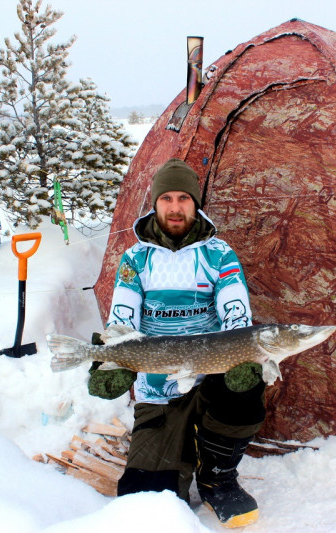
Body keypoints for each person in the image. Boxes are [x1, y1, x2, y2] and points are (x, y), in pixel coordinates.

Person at [88, 158, 266, 528]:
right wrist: (110, 361)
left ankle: (217, 476)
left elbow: (237, 317)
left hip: (210, 382)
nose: (174, 207)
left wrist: (246, 354)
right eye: (166, 198)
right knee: (147, 503)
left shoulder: (219, 254)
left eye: (183, 198)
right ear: (154, 202)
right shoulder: (134, 260)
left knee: (247, 385)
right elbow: (122, 320)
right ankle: (177, 452)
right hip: (158, 392)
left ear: (195, 203)